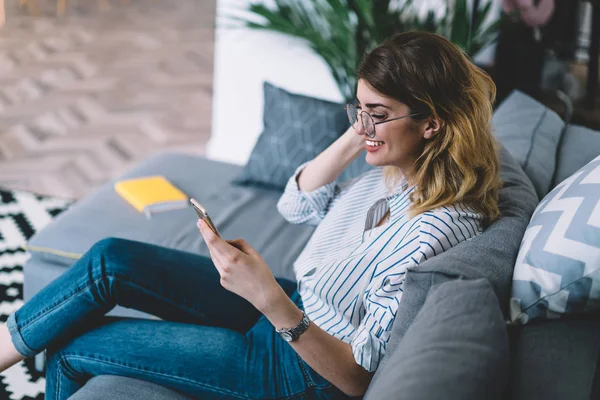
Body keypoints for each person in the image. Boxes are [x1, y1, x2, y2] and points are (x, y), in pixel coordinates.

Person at [0, 31, 501, 399]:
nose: (364, 125)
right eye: (360, 107)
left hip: (297, 371)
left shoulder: (436, 230)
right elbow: (296, 203)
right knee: (111, 259)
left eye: (378, 112)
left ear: (432, 124)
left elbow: (356, 378)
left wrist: (265, 295)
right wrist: (364, 131)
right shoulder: (394, 169)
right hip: (294, 305)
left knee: (71, 348)